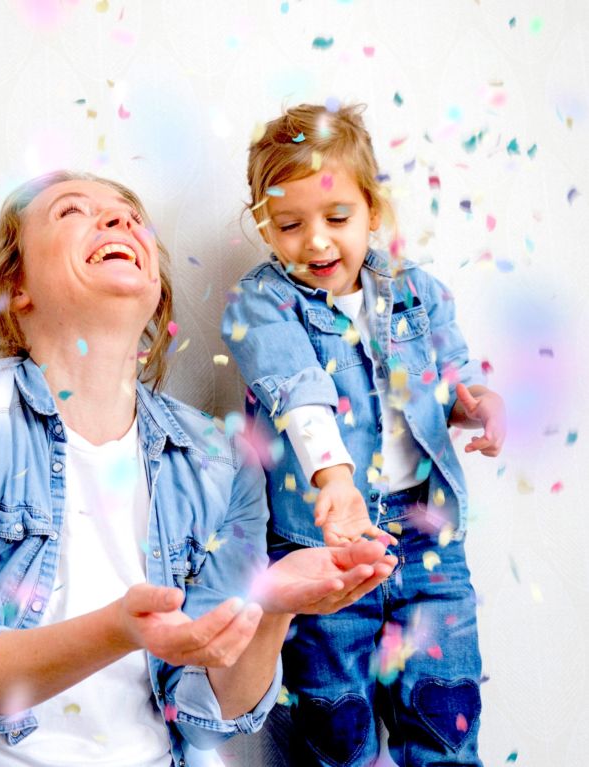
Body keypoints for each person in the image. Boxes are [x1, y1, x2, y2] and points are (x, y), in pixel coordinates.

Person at [0, 170, 397, 767]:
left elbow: (206, 716)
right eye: (72, 212)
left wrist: (270, 606)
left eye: (128, 214)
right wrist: (123, 627)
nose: (119, 221)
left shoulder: (220, 461)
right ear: (17, 285)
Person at [221, 104, 506, 765]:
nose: (316, 242)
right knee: (332, 725)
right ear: (264, 223)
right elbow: (298, 391)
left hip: (428, 539)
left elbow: (451, 380)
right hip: (324, 541)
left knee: (443, 714)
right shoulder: (262, 303)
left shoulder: (416, 292)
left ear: (372, 211)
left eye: (337, 219)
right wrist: (336, 479)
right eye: (289, 225)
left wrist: (477, 404)